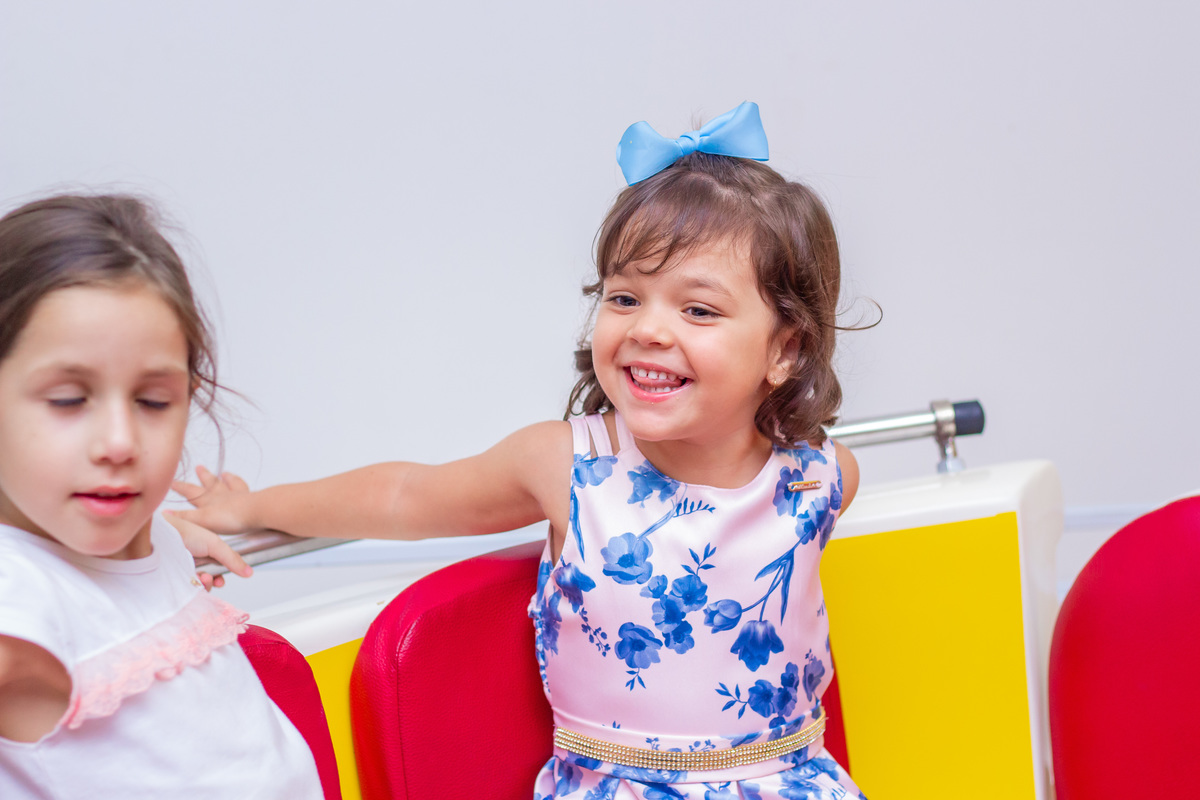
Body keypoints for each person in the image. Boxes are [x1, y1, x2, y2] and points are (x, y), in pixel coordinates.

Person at [177, 102, 868, 799]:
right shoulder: (567, 466)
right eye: (625, 297)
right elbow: (405, 496)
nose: (649, 330)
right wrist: (248, 507)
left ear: (785, 349)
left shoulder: (822, 480)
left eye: (698, 309)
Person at [0, 194, 323, 799]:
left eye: (153, 402)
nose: (120, 443)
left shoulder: (150, 538)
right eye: (69, 400)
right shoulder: (18, 599)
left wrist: (170, 527)